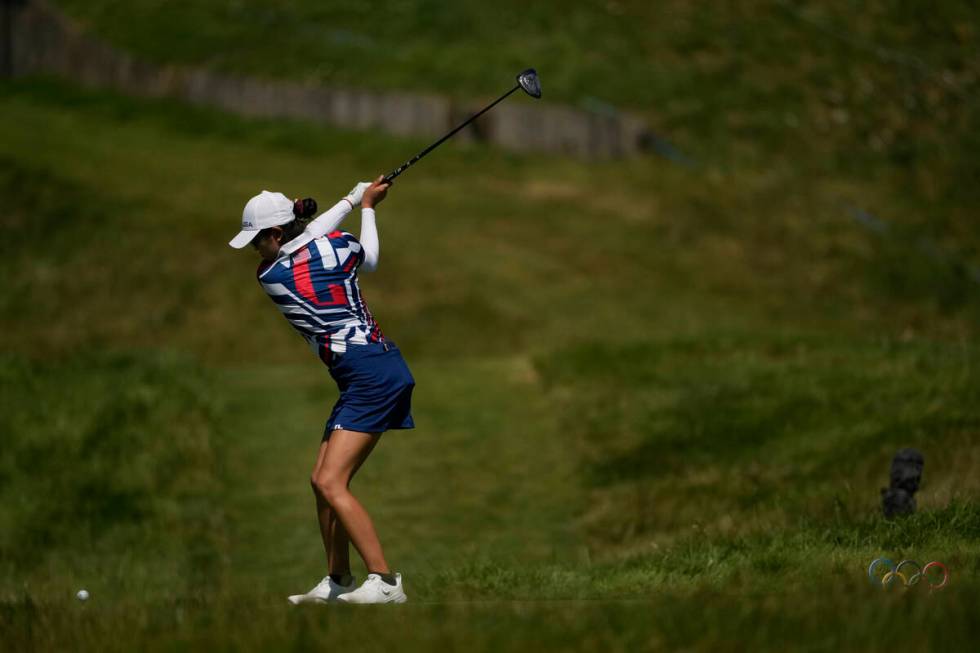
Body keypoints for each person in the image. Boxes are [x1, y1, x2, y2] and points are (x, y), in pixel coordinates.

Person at [229, 176, 413, 604]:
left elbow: (308, 234)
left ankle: (385, 584)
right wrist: (364, 204)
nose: (256, 251)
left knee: (332, 482)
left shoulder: (271, 274)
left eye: (258, 240)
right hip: (368, 370)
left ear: (276, 235)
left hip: (372, 375)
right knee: (320, 480)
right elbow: (368, 258)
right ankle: (338, 580)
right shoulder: (333, 248)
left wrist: (354, 199)